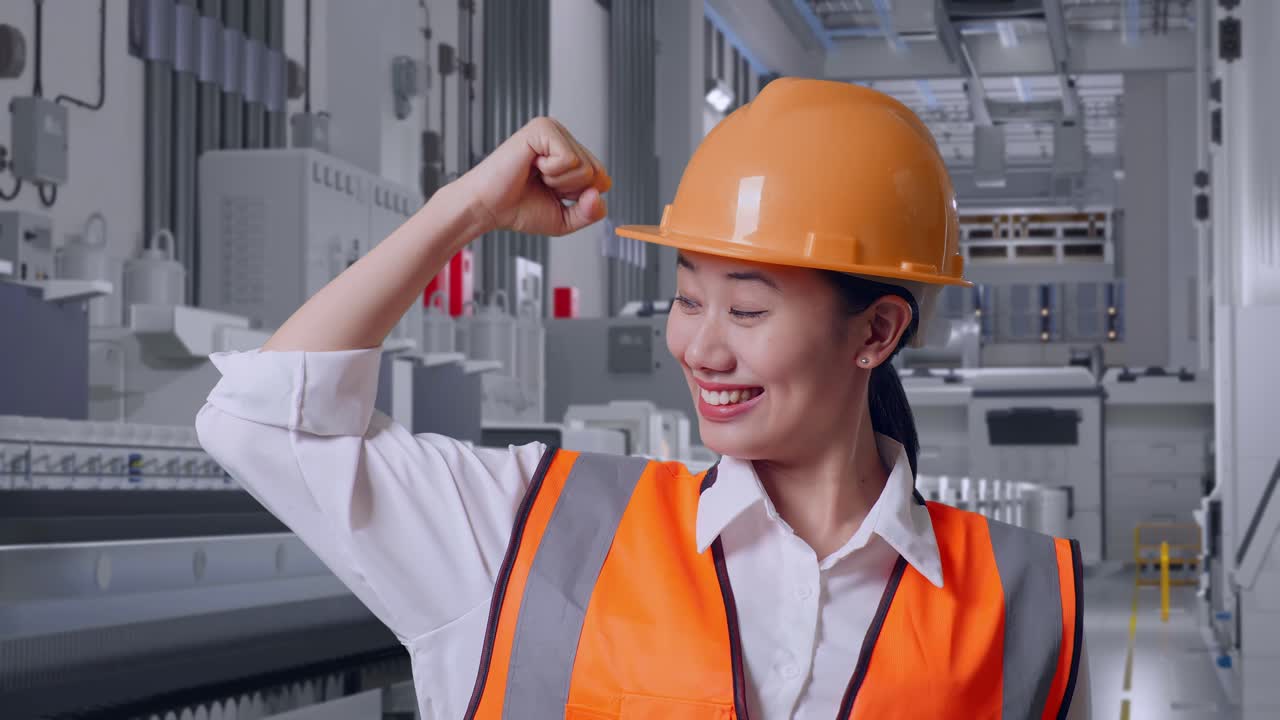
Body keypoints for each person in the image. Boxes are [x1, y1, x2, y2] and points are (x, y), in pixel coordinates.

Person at [197, 78, 1090, 719]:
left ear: (876, 334)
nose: (699, 346)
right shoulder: (529, 532)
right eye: (688, 296)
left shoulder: (1027, 604)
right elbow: (264, 421)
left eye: (746, 308)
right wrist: (463, 209)